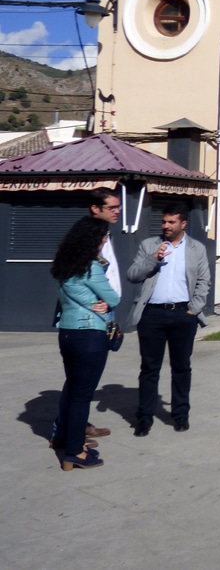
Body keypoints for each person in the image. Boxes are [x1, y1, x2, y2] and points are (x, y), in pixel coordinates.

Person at [125, 201, 211, 436]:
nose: (166, 226)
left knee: (181, 367)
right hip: (152, 314)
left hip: (183, 314)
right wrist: (153, 258)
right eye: (164, 221)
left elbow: (204, 281)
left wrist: (194, 309)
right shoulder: (149, 245)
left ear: (183, 223)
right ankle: (144, 418)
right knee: (149, 368)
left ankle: (181, 414)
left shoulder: (196, 249)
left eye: (171, 222)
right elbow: (132, 275)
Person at [51, 188, 123, 447]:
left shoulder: (70, 258)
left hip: (75, 326)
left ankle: (69, 433)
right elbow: (109, 294)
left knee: (75, 386)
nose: (118, 211)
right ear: (96, 209)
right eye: (112, 207)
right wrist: (101, 302)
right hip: (90, 326)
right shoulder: (90, 256)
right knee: (82, 391)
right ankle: (73, 443)